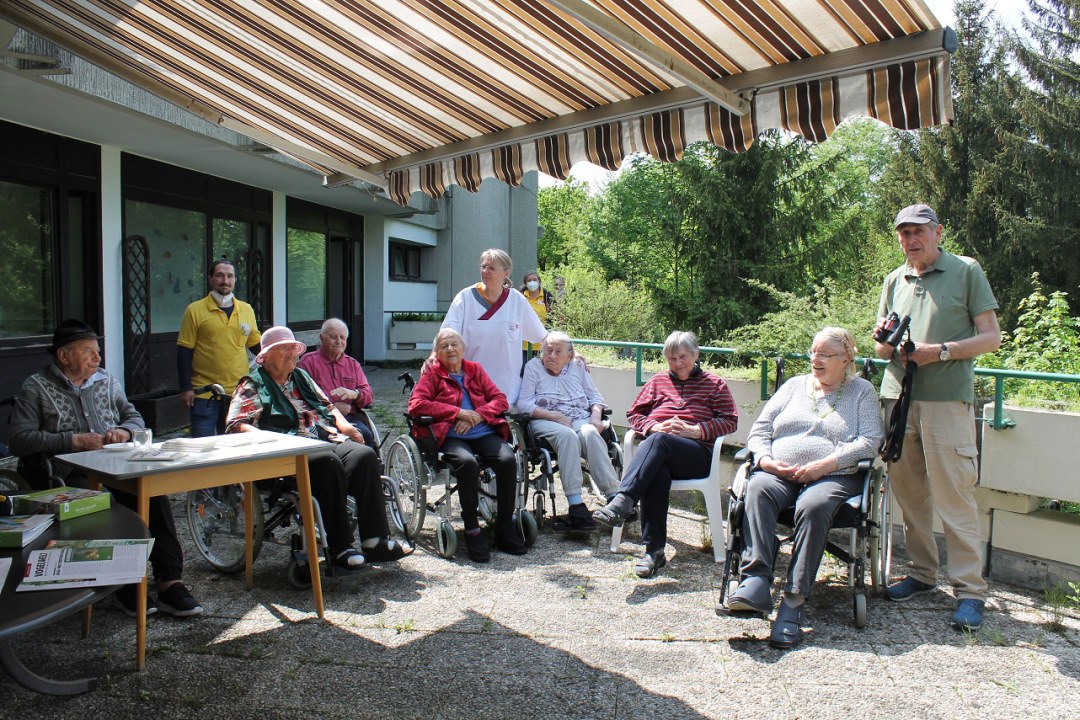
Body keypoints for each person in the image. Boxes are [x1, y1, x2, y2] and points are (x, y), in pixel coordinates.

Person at [9, 319, 204, 617]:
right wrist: (73, 440)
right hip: (66, 474)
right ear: (64, 355)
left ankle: (170, 581)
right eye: (88, 351)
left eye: (97, 351)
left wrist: (124, 432)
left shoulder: (106, 380)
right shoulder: (36, 387)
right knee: (108, 506)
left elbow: (134, 417)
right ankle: (124, 585)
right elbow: (20, 439)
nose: (97, 358)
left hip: (115, 465)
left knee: (154, 497)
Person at [875, 204, 1001, 632]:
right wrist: (889, 344)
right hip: (898, 398)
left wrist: (939, 352)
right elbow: (880, 347)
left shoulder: (966, 271)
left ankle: (970, 591)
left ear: (938, 232)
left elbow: (991, 337)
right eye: (903, 234)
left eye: (918, 232)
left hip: (947, 400)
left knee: (955, 496)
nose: (911, 240)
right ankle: (923, 574)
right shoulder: (896, 278)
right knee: (910, 494)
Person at [728, 327, 884, 649]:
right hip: (781, 472)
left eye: (825, 354)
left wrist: (826, 465)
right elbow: (760, 430)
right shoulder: (793, 386)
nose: (816, 359)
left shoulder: (862, 391)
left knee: (813, 505)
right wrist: (766, 459)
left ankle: (794, 602)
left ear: (846, 359)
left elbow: (870, 441)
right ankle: (755, 580)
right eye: (813, 351)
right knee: (757, 487)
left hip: (834, 476)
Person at [226, 326, 411, 569]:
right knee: (328, 463)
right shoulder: (252, 385)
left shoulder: (301, 377)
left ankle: (375, 541)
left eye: (294, 349)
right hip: (285, 453)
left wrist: (346, 428)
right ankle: (340, 547)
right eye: (285, 350)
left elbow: (328, 406)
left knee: (364, 456)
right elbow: (235, 424)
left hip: (323, 439)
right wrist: (266, 437)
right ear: (267, 355)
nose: (293, 354)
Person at [593, 331, 738, 578]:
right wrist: (653, 426)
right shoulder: (657, 382)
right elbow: (634, 415)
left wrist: (695, 430)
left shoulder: (715, 384)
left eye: (683, 357)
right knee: (656, 470)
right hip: (660, 454)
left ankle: (623, 501)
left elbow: (730, 422)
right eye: (671, 358)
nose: (677, 363)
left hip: (696, 456)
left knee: (658, 442)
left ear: (696, 354)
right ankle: (653, 552)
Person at [408, 328, 526, 563]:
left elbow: (500, 400)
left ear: (463, 349)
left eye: (454, 344)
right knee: (467, 463)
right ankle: (472, 528)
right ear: (437, 353)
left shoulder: (475, 369)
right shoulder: (432, 374)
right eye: (444, 346)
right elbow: (416, 405)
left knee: (507, 459)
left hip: (482, 431)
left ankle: (503, 527)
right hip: (451, 436)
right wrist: (457, 413)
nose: (450, 349)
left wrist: (478, 416)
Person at [517, 331, 619, 530]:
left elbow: (595, 397)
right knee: (568, 435)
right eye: (547, 350)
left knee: (590, 432)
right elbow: (524, 404)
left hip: (579, 418)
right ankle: (576, 506)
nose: (552, 356)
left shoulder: (577, 366)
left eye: (557, 352)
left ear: (569, 356)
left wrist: (595, 418)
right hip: (545, 420)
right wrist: (554, 416)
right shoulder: (533, 368)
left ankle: (615, 498)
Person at [440, 249, 547, 406]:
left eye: (491, 268)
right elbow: (447, 334)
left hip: (507, 389)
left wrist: (571, 351)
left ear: (506, 272)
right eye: (483, 267)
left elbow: (541, 336)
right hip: (471, 385)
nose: (485, 272)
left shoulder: (516, 300)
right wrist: (434, 358)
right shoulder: (465, 297)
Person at [177, 258, 262, 437]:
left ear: (235, 280)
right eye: (220, 275)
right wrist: (186, 388)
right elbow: (184, 352)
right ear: (210, 278)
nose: (225, 281)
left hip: (239, 393)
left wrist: (278, 359)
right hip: (205, 393)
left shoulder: (246, 310)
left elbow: (256, 345)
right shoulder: (195, 310)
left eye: (230, 276)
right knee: (204, 447)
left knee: (236, 447)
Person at [298, 318, 375, 446]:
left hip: (349, 418)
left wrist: (354, 394)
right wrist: (332, 408)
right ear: (321, 338)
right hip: (320, 419)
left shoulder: (353, 364)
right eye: (333, 337)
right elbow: (302, 396)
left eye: (342, 337)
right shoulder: (308, 362)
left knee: (365, 435)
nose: (339, 341)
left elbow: (368, 395)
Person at [519, 271, 554, 359]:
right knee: (523, 370)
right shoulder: (520, 296)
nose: (532, 282)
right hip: (523, 343)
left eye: (534, 280)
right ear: (525, 283)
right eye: (529, 280)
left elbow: (554, 316)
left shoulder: (547, 296)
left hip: (542, 342)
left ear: (539, 281)